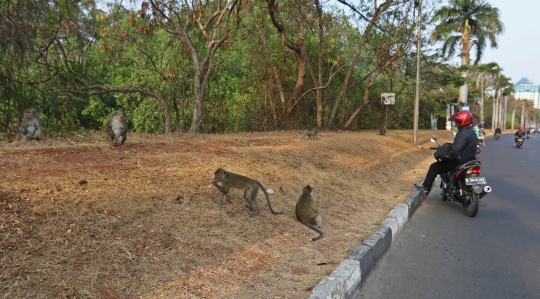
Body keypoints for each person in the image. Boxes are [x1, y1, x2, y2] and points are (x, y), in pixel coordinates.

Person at [414, 110, 478, 194]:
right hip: (470, 159)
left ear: (463, 121)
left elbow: (455, 150)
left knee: (434, 167)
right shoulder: (471, 132)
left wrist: (446, 156)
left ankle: (425, 187)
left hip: (459, 160)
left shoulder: (463, 133)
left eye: (458, 121)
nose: (457, 123)